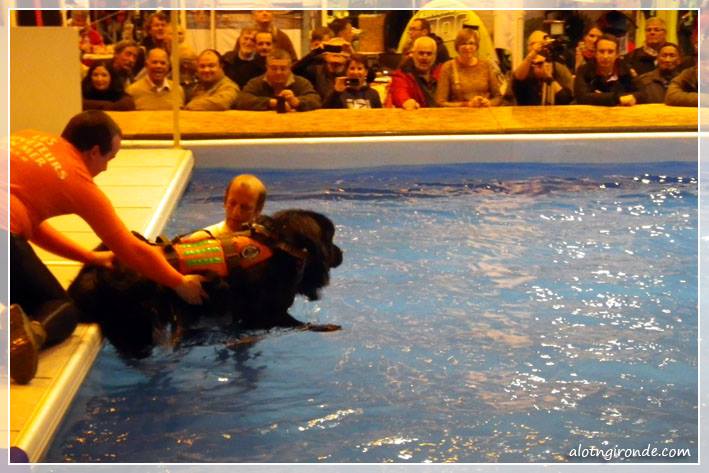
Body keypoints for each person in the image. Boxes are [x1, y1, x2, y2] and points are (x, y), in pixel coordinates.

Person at [9, 111, 206, 384]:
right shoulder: (77, 180)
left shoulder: (28, 138)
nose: (106, 168)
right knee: (61, 309)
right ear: (93, 152)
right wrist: (179, 282)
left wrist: (91, 257)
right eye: (109, 158)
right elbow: (131, 249)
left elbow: (29, 226)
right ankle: (20, 342)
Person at [182, 174, 267, 241]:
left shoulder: (265, 241)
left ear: (258, 210)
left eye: (245, 207)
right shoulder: (202, 239)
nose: (236, 212)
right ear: (225, 201)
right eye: (232, 203)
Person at [235, 48, 322, 112]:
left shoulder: (301, 83)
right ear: (267, 67)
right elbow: (241, 100)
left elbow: (315, 100)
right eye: (274, 68)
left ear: (290, 68)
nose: (278, 72)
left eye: (283, 69)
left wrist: (297, 101)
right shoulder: (256, 83)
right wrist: (272, 103)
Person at [435, 28, 502, 108]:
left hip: (484, 113)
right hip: (458, 114)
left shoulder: (486, 65)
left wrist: (489, 103)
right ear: (457, 46)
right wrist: (467, 104)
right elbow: (440, 102)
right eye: (463, 43)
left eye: (471, 43)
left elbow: (498, 97)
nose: (467, 47)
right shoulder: (448, 67)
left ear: (476, 46)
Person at [512, 30, 573, 106]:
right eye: (537, 44)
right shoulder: (525, 69)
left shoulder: (557, 67)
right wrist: (533, 53)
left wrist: (550, 78)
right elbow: (517, 79)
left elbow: (567, 99)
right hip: (527, 111)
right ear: (529, 47)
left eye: (546, 44)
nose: (543, 47)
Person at [574, 34, 638, 106]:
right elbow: (581, 97)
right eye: (601, 51)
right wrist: (617, 98)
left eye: (610, 52)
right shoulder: (583, 70)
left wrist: (600, 97)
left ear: (617, 54)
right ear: (595, 53)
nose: (605, 56)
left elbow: (642, 94)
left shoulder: (625, 69)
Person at [389, 36, 440, 110]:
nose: (424, 57)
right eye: (421, 53)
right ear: (413, 54)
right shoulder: (401, 75)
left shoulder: (442, 72)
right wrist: (406, 102)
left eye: (429, 54)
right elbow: (399, 92)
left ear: (435, 56)